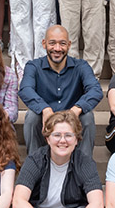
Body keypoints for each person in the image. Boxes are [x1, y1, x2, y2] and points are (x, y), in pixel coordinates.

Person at [18, 25, 103, 157]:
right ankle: (35, 164)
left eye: (62, 43)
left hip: (72, 123)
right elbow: (25, 89)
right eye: (52, 43)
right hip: (45, 124)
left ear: (69, 45)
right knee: (32, 116)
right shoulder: (33, 66)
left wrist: (76, 109)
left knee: (87, 116)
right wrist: (45, 109)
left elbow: (96, 90)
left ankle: (83, 166)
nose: (57, 48)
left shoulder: (81, 66)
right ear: (44, 44)